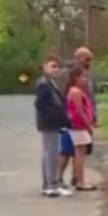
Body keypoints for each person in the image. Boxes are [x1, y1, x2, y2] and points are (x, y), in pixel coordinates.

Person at [57, 47, 98, 188]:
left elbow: (91, 98)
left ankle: (76, 177)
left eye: (90, 59)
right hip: (72, 120)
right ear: (79, 57)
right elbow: (64, 97)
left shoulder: (85, 74)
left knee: (79, 150)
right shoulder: (68, 75)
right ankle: (59, 178)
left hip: (82, 118)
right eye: (87, 58)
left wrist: (93, 116)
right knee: (67, 149)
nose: (89, 62)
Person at [34, 54, 72, 198]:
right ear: (44, 67)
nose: (56, 69)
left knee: (49, 152)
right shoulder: (44, 83)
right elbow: (40, 104)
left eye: (57, 66)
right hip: (49, 123)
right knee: (51, 154)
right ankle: (51, 185)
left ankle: (48, 184)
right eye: (53, 66)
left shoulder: (50, 82)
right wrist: (55, 115)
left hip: (50, 123)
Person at [65, 67, 97, 191]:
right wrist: (88, 126)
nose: (85, 79)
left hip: (78, 126)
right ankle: (80, 181)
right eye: (83, 77)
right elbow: (79, 111)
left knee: (80, 152)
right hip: (79, 126)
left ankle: (78, 178)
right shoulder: (76, 92)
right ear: (75, 78)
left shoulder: (74, 90)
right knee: (80, 153)